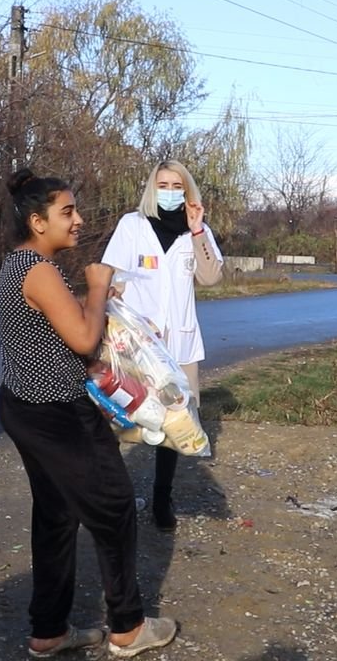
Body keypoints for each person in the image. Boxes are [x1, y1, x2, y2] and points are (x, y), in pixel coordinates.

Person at [0, 168, 179, 658]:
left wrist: (91, 301)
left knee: (56, 515)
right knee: (115, 508)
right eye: (67, 212)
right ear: (38, 221)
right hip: (57, 414)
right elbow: (82, 338)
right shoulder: (38, 269)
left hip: (24, 407)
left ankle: (49, 630)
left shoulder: (18, 265)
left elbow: (55, 321)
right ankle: (127, 627)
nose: (77, 221)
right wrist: (97, 287)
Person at [100, 160, 223, 532]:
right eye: (163, 184)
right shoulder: (132, 226)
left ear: (187, 191)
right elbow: (111, 277)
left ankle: (161, 498)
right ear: (152, 188)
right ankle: (110, 496)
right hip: (137, 349)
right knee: (120, 418)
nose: (170, 191)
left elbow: (211, 277)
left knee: (173, 424)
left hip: (180, 346)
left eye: (177, 185)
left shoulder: (195, 232)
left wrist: (198, 229)